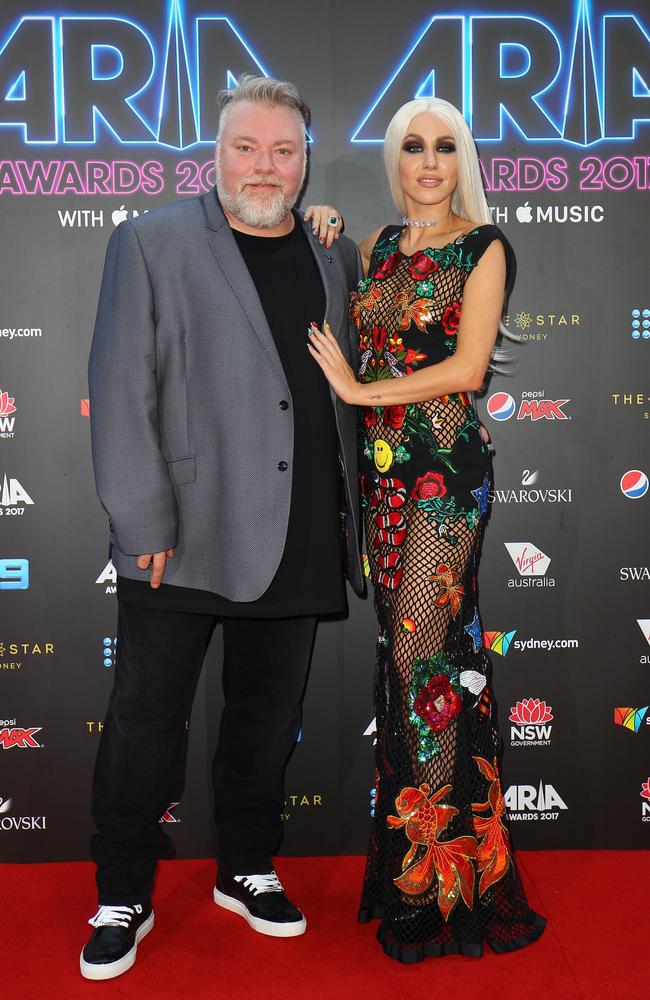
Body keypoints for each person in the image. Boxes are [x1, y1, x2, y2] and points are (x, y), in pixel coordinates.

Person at [83, 74, 364, 980]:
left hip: (301, 529)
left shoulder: (335, 255)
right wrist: (140, 517)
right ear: (216, 152)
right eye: (247, 146)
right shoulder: (152, 242)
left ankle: (245, 866)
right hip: (184, 531)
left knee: (266, 716)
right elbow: (124, 391)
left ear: (306, 158)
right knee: (147, 720)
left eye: (284, 149)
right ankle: (122, 888)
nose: (265, 165)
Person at [308, 97, 546, 962]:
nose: (431, 162)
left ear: (464, 160)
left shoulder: (484, 248)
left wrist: (364, 393)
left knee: (422, 657)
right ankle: (426, 869)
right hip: (385, 482)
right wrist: (320, 224)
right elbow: (344, 294)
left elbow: (469, 366)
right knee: (417, 660)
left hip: (447, 474)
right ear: (394, 160)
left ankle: (444, 891)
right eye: (414, 146)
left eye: (446, 147)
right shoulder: (376, 247)